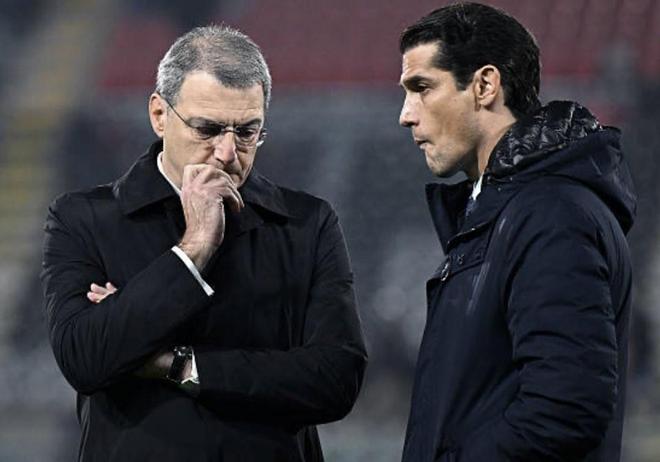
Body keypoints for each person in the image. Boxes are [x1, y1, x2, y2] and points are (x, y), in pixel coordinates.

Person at [41, 25, 367, 462]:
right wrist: (193, 248)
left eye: (247, 131)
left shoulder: (307, 223)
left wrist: (177, 364)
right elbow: (84, 359)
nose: (228, 153)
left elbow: (336, 380)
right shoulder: (83, 218)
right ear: (160, 114)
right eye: (207, 129)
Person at [398, 3, 636, 461]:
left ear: (485, 85)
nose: (406, 115)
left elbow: (565, 409)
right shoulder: (508, 210)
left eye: (422, 88)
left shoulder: (551, 215)